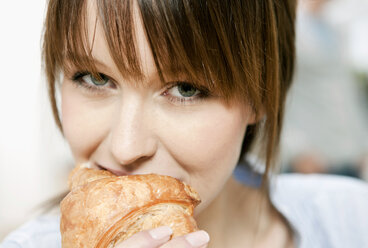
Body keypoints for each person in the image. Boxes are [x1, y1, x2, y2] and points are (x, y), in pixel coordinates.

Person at [1, 0, 368, 247]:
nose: (125, 148)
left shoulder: (351, 221)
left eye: (185, 89)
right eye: (95, 78)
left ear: (261, 94)